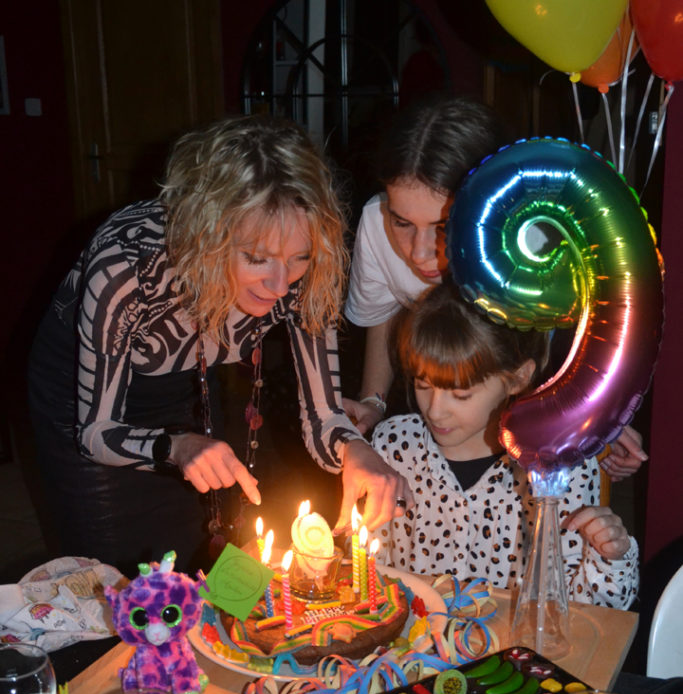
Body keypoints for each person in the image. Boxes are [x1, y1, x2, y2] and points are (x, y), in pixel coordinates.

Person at [28, 115, 410, 576]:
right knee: (124, 579)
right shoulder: (127, 269)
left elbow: (323, 416)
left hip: (192, 379)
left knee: (208, 553)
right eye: (257, 258)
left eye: (300, 257)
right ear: (209, 238)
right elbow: (95, 432)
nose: (280, 284)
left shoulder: (307, 270)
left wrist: (355, 452)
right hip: (86, 399)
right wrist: (176, 447)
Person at [342, 93, 646, 480]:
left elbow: (604, 332)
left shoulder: (544, 237)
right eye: (402, 223)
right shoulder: (375, 223)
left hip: (541, 385)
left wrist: (599, 412)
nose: (419, 253)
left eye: (443, 226)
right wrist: (374, 402)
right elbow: (381, 311)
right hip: (446, 390)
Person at [368, 282, 638, 609]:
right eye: (423, 385)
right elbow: (369, 574)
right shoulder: (395, 447)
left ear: (517, 378)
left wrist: (609, 557)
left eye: (461, 394)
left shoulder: (560, 466)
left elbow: (584, 612)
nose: (435, 410)